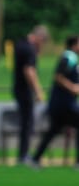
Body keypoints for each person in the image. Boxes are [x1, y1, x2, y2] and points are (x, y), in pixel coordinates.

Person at [28, 34, 79, 168]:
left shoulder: (71, 58)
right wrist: (73, 87)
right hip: (64, 104)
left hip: (59, 104)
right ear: (74, 45)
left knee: (53, 131)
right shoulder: (69, 57)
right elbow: (58, 76)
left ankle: (35, 159)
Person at [12, 25, 48, 166]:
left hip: (18, 88)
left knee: (25, 122)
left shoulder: (21, 44)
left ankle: (23, 154)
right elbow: (29, 71)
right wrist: (38, 91)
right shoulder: (29, 49)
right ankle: (23, 155)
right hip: (25, 90)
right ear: (39, 38)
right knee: (27, 123)